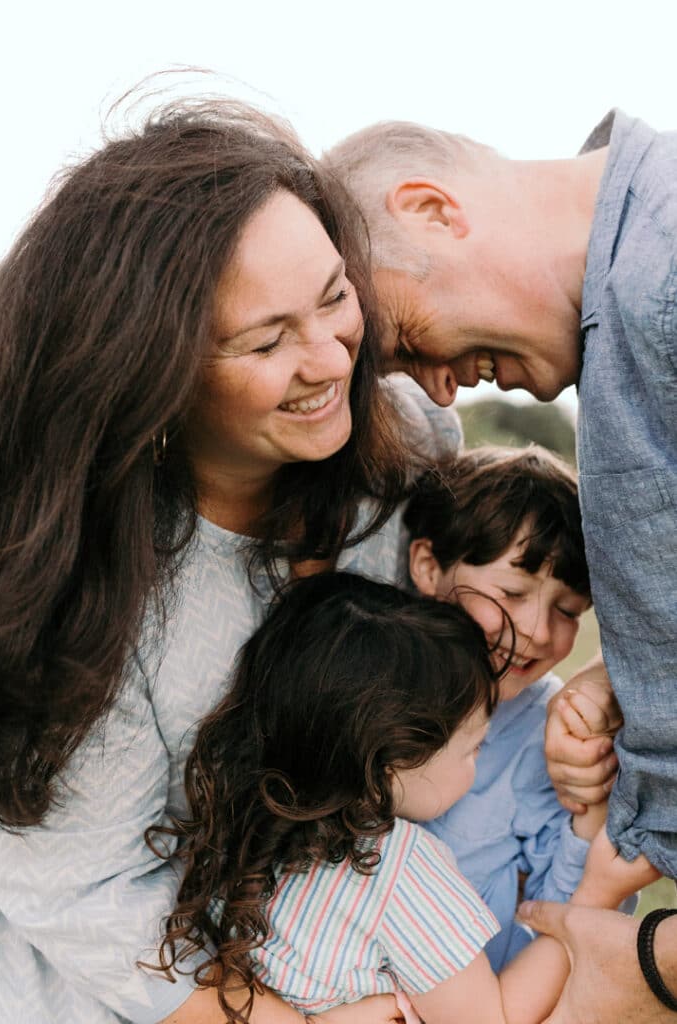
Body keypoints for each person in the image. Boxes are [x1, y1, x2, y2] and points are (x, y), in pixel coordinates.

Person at [0, 96, 462, 1024]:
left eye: (334, 296)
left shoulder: (404, 443)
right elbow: (86, 896)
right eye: (266, 340)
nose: (330, 357)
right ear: (148, 373)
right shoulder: (81, 594)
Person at [325, 111, 677, 1020]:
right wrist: (615, 674)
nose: (438, 389)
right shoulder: (629, 333)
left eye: (404, 339)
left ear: (433, 211)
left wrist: (650, 963)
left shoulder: (664, 273)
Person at [153, 570, 655, 1024]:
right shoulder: (399, 872)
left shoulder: (242, 821)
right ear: (389, 763)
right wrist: (594, 897)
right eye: (473, 748)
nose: (477, 763)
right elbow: (494, 1020)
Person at [402, 444, 636, 971]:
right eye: (512, 592)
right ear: (427, 566)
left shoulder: (548, 731)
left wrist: (591, 814)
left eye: (568, 610)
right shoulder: (369, 680)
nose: (536, 630)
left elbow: (560, 908)